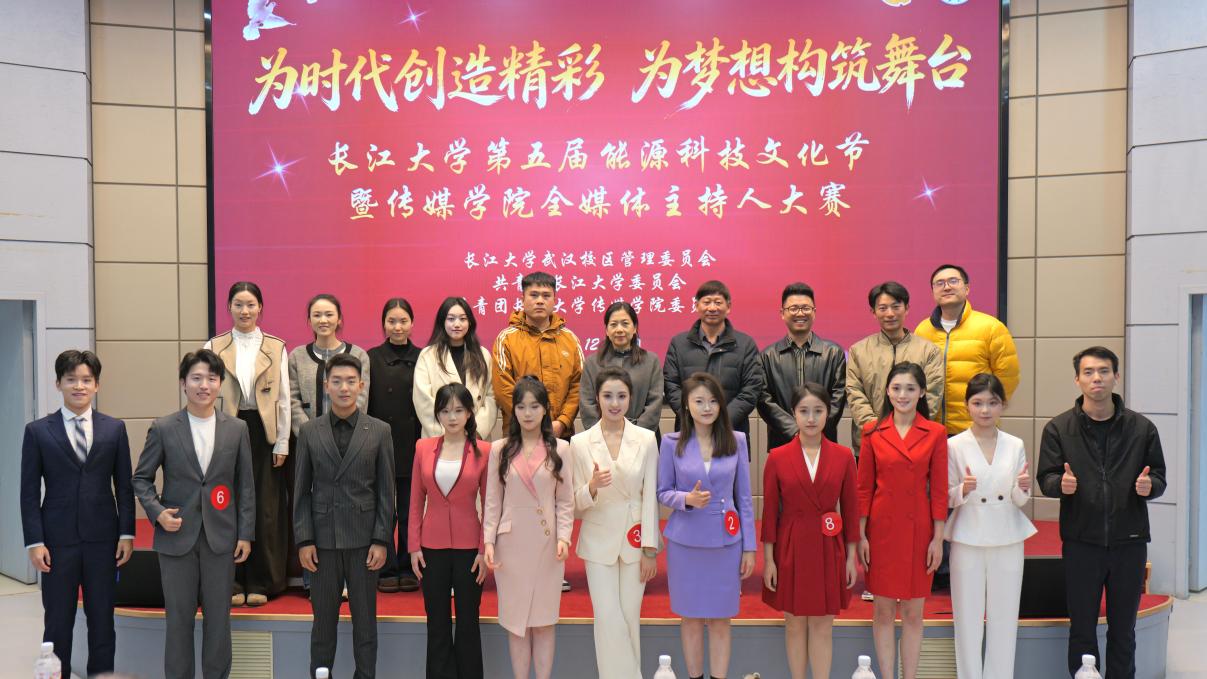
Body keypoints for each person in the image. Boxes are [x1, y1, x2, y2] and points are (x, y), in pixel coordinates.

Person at [1037, 346, 1166, 679]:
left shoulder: (1142, 428)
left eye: (1104, 371)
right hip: (1081, 543)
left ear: (1116, 376)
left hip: (1130, 542)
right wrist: (1059, 484)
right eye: (1089, 372)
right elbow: (1046, 478)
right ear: (1077, 380)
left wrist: (1149, 486)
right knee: (1082, 627)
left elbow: (1159, 477)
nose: (1097, 378)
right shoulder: (1058, 428)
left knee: (1124, 630)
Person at [132, 350, 255, 679]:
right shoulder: (163, 428)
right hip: (176, 538)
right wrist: (157, 513)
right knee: (178, 621)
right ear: (183, 383)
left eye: (211, 379)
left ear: (220, 384)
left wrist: (245, 534)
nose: (204, 385)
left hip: (221, 539)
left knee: (219, 621)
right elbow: (141, 479)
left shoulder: (237, 429)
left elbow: (245, 485)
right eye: (196, 378)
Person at [20, 350, 134, 678]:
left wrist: (126, 533)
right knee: (57, 624)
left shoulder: (114, 429)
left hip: (103, 541)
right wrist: (34, 542)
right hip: (57, 543)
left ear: (97, 385)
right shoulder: (38, 431)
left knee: (103, 623)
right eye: (71, 379)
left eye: (86, 380)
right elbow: (29, 492)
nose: (79, 386)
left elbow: (124, 487)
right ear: (58, 383)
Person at [294, 353, 395, 679]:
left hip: (365, 543)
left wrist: (381, 539)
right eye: (336, 381)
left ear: (361, 385)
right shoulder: (309, 431)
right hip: (322, 543)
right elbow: (300, 492)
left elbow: (386, 491)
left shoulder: (379, 431)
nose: (344, 388)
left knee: (365, 625)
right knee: (323, 625)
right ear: (326, 386)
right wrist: (304, 540)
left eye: (351, 381)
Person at [658, 372, 756, 679]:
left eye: (713, 401)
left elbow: (745, 498)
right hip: (685, 543)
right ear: (686, 406)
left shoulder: (736, 440)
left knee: (720, 619)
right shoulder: (671, 443)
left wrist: (749, 547)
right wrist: (686, 499)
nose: (707, 407)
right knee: (689, 618)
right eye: (699, 401)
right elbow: (662, 492)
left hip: (726, 543)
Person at [761, 382, 859, 679]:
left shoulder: (843, 456)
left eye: (818, 411)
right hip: (791, 545)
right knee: (794, 623)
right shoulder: (777, 456)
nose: (811, 418)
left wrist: (851, 558)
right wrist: (769, 560)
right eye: (804, 411)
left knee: (822, 624)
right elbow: (769, 514)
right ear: (794, 413)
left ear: (829, 413)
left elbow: (850, 510)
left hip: (829, 546)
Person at [857, 362, 947, 679]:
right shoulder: (872, 431)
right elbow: (863, 488)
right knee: (882, 611)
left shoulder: (935, 432)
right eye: (896, 388)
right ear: (887, 391)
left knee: (913, 612)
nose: (903, 395)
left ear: (922, 392)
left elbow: (939, 491)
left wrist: (938, 539)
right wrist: (861, 535)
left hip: (919, 530)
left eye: (910, 388)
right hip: (881, 530)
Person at [945, 373, 1036, 679]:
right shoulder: (954, 445)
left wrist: (1023, 488)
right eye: (978, 403)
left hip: (1007, 535)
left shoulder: (1015, 444)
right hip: (967, 535)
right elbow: (946, 496)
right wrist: (963, 489)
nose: (985, 410)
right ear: (967, 405)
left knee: (1004, 619)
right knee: (967, 619)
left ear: (1003, 405)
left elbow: (1019, 500)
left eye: (992, 403)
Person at [204, 281, 290, 606]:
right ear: (229, 307)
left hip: (264, 432)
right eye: (238, 304)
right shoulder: (214, 346)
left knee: (265, 507)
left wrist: (282, 442)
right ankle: (233, 580)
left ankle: (261, 581)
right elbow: (206, 394)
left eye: (251, 304)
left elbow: (284, 400)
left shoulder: (276, 347)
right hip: (226, 430)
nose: (245, 311)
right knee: (228, 503)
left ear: (260, 308)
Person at [482, 377, 574, 679]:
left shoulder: (561, 449)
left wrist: (564, 538)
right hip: (510, 547)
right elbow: (492, 500)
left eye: (535, 406)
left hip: (548, 546)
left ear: (545, 409)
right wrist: (489, 542)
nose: (528, 413)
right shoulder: (500, 449)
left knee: (544, 622)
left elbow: (566, 501)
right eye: (521, 406)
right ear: (514, 410)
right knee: (516, 623)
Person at [570, 367, 660, 678]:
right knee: (607, 618)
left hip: (636, 540)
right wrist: (592, 486)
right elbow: (575, 502)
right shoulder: (580, 442)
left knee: (629, 618)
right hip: (598, 541)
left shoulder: (646, 439)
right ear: (597, 398)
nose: (614, 403)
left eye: (621, 396)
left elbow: (650, 497)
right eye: (608, 396)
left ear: (630, 399)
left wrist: (650, 548)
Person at [288, 293, 371, 595]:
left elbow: (361, 398)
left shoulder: (358, 355)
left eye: (329, 314)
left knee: (347, 505)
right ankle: (314, 577)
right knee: (313, 505)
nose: (323, 320)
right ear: (309, 320)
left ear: (339, 319)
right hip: (310, 444)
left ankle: (348, 579)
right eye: (317, 315)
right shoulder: (297, 356)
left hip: (350, 445)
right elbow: (292, 400)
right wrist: (311, 435)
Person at [409, 384, 491, 679]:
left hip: (470, 549)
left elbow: (490, 505)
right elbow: (415, 500)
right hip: (431, 548)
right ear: (437, 414)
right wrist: (414, 546)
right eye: (445, 411)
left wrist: (484, 549)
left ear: (470, 413)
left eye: (458, 410)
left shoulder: (484, 450)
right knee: (437, 623)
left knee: (468, 622)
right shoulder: (423, 448)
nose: (452, 417)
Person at [915, 264, 1019, 435]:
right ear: (933, 292)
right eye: (939, 283)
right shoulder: (923, 330)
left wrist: (986, 411)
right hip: (932, 429)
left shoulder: (991, 327)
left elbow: (1008, 377)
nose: (946, 287)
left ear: (967, 288)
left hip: (975, 428)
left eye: (953, 281)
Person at [846, 281, 943, 455]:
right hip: (870, 441)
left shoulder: (929, 351)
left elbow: (932, 394)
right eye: (882, 308)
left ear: (907, 309)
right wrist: (876, 430)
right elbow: (854, 393)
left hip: (916, 443)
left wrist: (908, 432)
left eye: (896, 307)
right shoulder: (858, 351)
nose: (890, 313)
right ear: (873, 312)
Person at [367, 298, 423, 594]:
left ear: (412, 324)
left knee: (409, 510)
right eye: (392, 321)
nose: (397, 327)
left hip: (415, 443)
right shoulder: (371, 358)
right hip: (382, 443)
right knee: (384, 509)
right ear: (383, 324)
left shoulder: (424, 357)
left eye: (403, 321)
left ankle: (409, 565)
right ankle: (386, 566)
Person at [663, 280, 764, 437]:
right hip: (689, 432)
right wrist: (693, 416)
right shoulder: (678, 344)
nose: (712, 308)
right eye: (706, 302)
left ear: (728, 307)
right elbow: (671, 385)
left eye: (718, 302)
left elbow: (751, 389)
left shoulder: (745, 344)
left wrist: (722, 421)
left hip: (731, 432)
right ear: (697, 306)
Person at [492, 271, 583, 440]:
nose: (540, 300)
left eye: (546, 295)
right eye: (533, 295)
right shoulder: (506, 339)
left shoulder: (571, 339)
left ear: (554, 300)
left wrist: (563, 421)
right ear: (522, 299)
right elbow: (503, 389)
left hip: (561, 434)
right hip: (519, 434)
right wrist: (532, 422)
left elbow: (578, 385)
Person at [758, 282, 847, 447]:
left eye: (806, 308)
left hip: (824, 442)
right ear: (782, 313)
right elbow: (764, 400)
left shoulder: (834, 353)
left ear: (814, 312)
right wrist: (794, 430)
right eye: (793, 308)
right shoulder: (767, 356)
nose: (800, 313)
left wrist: (816, 429)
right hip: (783, 444)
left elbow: (838, 399)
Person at [415, 296, 498, 440]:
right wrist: (449, 434)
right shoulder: (427, 355)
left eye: (462, 319)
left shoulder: (483, 354)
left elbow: (492, 398)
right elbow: (423, 402)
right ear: (442, 322)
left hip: (476, 438)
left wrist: (476, 432)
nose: (457, 324)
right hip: (439, 438)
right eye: (451, 319)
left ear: (470, 322)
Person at [579, 301, 665, 432]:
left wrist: (636, 435)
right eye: (613, 324)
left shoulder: (651, 361)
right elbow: (587, 404)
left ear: (634, 328)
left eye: (625, 324)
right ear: (607, 330)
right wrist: (602, 434)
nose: (619, 329)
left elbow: (655, 403)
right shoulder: (592, 363)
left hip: (643, 435)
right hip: (602, 436)